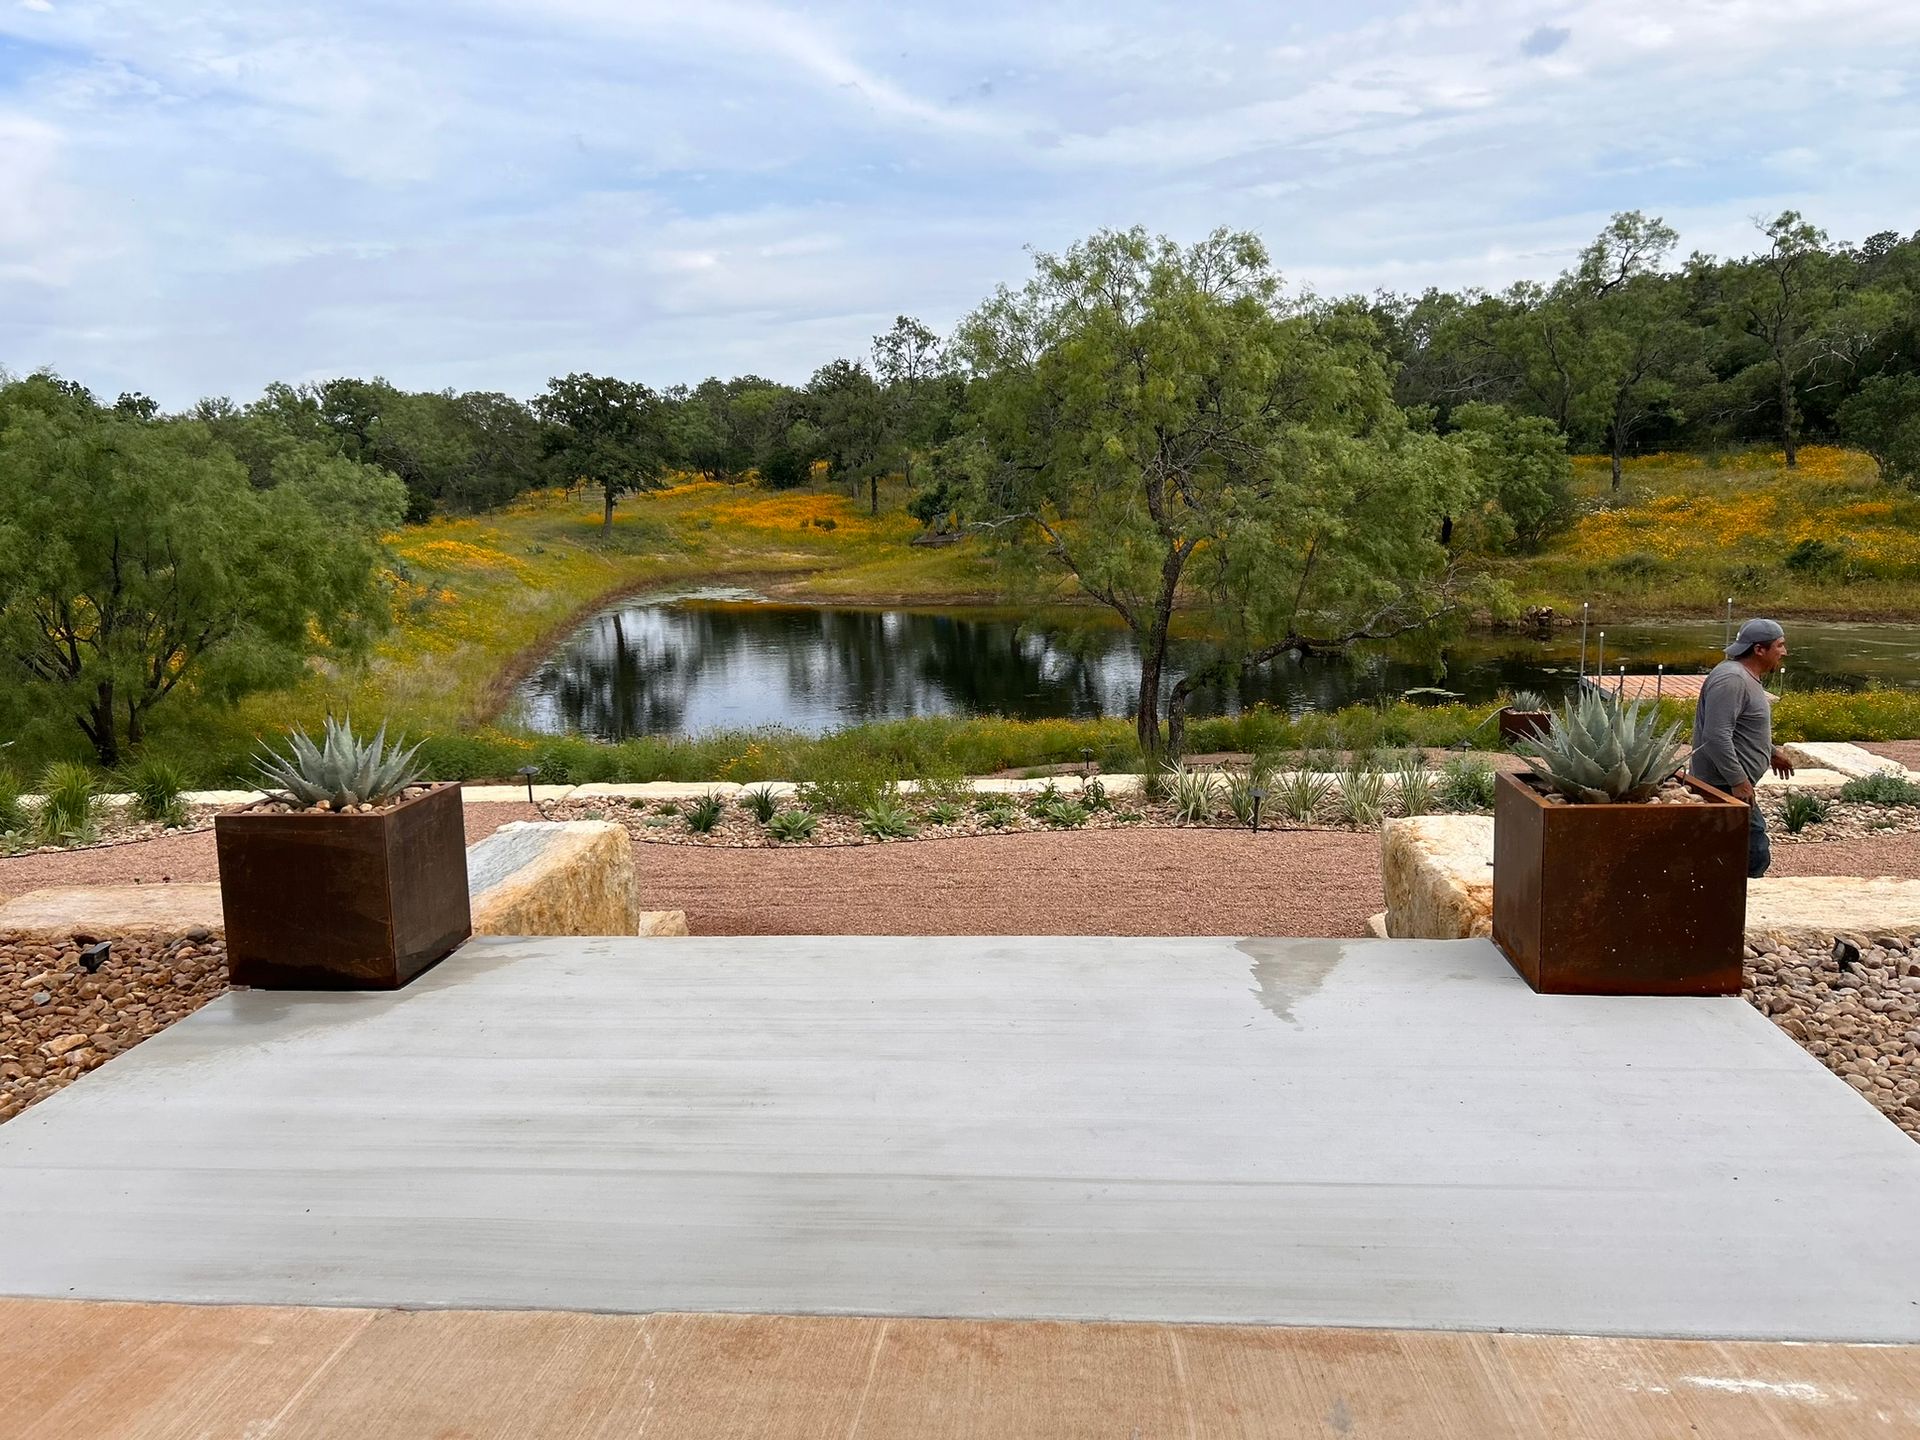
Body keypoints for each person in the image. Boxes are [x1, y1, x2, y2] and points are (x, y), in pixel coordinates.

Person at [1689, 618, 1794, 878]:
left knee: (1733, 851)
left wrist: (1770, 752)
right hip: (1722, 786)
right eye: (1779, 646)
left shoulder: (1744, 677)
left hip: (1730, 784)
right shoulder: (1732, 680)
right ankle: (1736, 909)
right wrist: (1738, 780)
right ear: (1759, 649)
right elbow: (1716, 735)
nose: (1784, 652)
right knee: (1753, 853)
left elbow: (1741, 728)